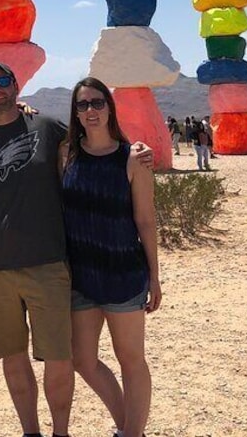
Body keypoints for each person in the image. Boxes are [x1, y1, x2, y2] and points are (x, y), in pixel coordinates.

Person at [0, 62, 75, 437]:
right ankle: (30, 432)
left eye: (4, 80)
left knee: (58, 356)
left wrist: (133, 152)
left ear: (17, 85)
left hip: (48, 263)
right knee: (13, 356)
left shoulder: (48, 129)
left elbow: (93, 149)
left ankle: (61, 432)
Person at [59, 77, 162, 437]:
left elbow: (146, 221)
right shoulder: (66, 155)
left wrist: (155, 277)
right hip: (82, 277)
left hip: (124, 275)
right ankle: (129, 428)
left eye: (97, 103)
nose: (91, 110)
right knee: (82, 360)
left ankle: (132, 432)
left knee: (131, 360)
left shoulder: (132, 158)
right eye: (83, 104)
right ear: (75, 112)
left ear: (110, 107)